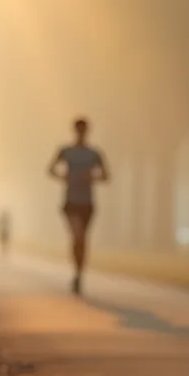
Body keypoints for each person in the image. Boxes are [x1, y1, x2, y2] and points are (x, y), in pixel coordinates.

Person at [47, 118, 108, 295]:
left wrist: (92, 178)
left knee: (82, 240)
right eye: (78, 130)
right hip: (71, 201)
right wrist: (63, 177)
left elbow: (106, 175)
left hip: (87, 202)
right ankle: (76, 271)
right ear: (74, 130)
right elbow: (50, 169)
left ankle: (78, 273)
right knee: (78, 235)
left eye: (84, 130)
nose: (81, 133)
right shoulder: (65, 151)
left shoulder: (94, 153)